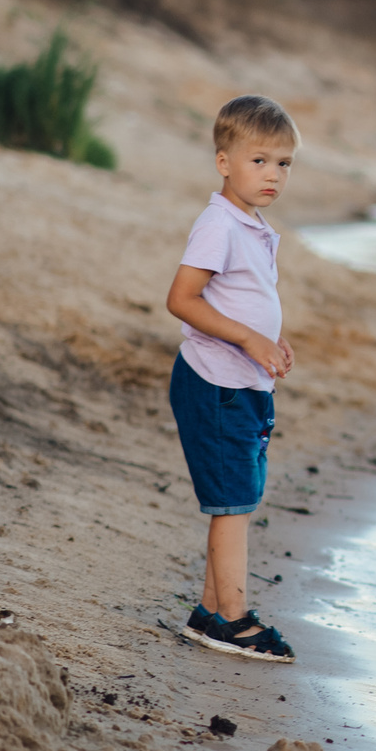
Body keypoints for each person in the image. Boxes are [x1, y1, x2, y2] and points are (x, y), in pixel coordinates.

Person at [163, 95, 300, 663]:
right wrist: (247, 338)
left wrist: (271, 339)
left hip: (244, 384)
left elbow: (247, 297)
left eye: (284, 164)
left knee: (237, 497)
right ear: (224, 162)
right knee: (233, 505)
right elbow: (182, 299)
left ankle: (209, 610)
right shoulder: (219, 224)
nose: (273, 175)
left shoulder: (252, 225)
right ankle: (233, 620)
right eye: (259, 161)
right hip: (216, 382)